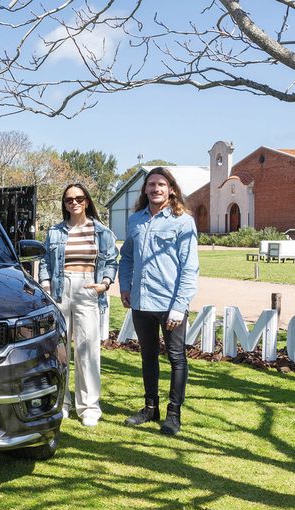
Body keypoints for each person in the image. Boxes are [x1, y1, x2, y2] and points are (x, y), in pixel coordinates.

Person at [119, 167, 199, 436]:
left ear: (171, 189)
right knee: (147, 356)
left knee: (177, 358)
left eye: (161, 184)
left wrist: (179, 306)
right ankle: (150, 408)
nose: (155, 189)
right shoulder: (135, 221)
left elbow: (189, 268)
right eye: (151, 184)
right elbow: (127, 257)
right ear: (145, 190)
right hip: (142, 303)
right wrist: (125, 287)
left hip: (170, 304)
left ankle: (173, 415)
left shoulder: (182, 221)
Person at [39, 183, 118, 427]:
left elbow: (112, 261)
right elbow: (44, 260)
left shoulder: (101, 232)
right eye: (69, 200)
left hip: (88, 289)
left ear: (87, 201)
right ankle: (61, 403)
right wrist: (45, 284)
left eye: (79, 198)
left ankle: (89, 407)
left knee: (87, 350)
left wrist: (104, 283)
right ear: (64, 204)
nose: (74, 203)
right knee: (60, 351)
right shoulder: (55, 232)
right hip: (60, 289)